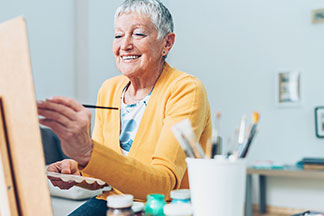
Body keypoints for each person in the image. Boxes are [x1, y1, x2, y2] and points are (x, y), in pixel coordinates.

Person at [37, 0, 212, 215]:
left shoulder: (186, 90)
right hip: (112, 202)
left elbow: (163, 185)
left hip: (158, 207)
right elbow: (104, 173)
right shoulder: (109, 89)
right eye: (118, 35)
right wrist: (76, 169)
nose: (125, 45)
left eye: (138, 34)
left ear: (167, 43)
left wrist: (88, 152)